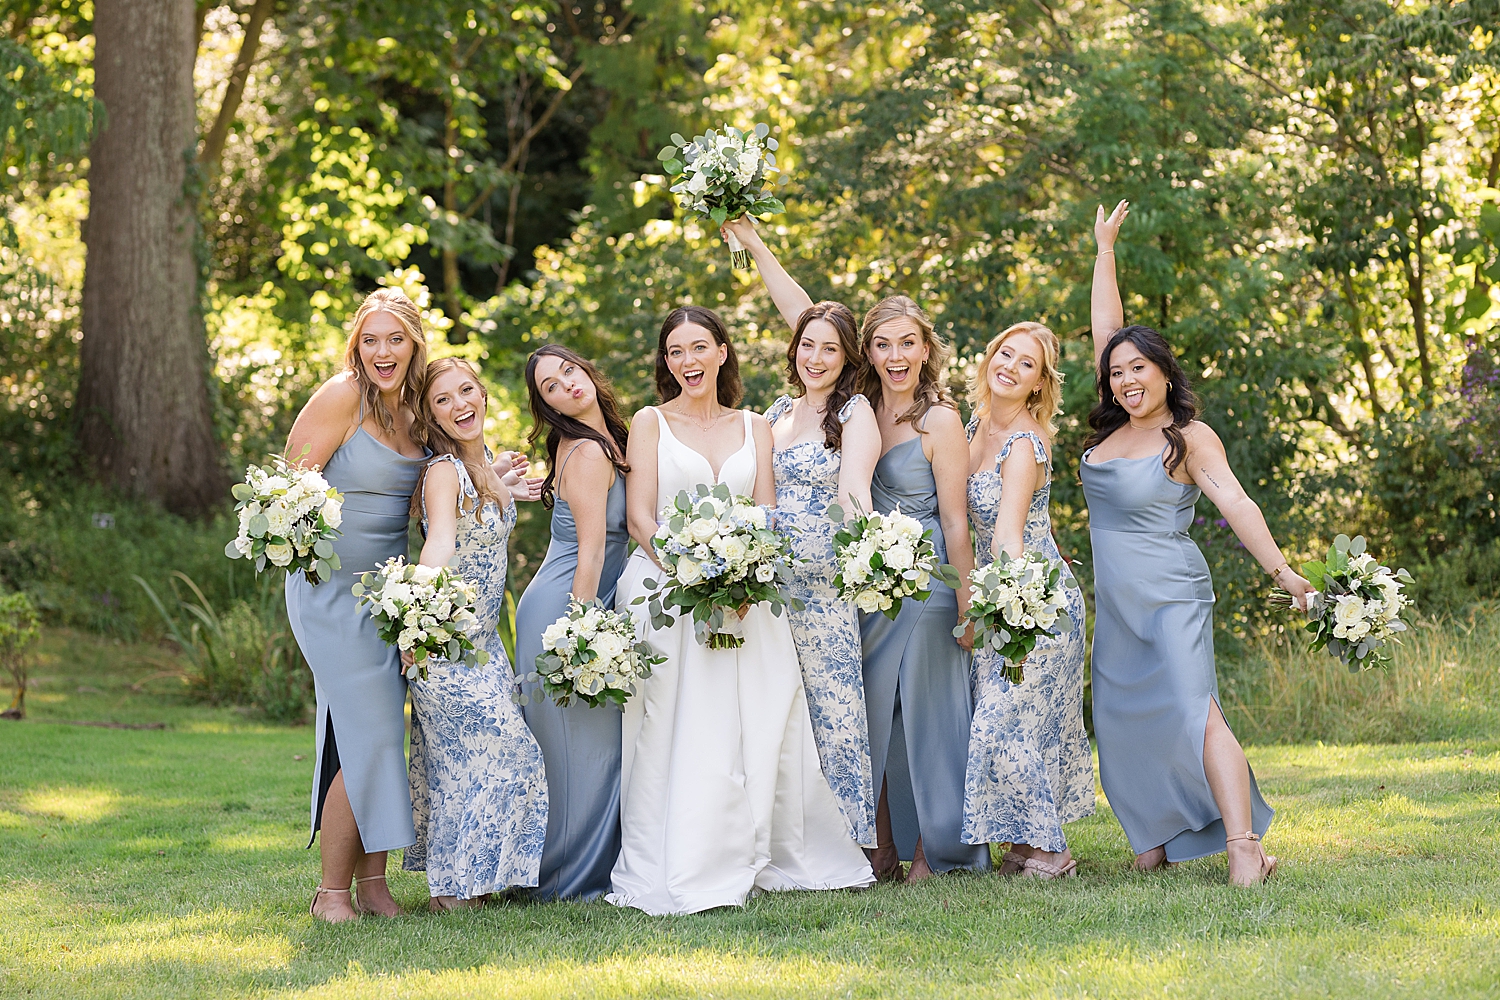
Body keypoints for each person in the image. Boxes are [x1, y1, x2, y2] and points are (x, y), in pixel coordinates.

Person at [608, 305, 874, 915]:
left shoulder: (758, 426)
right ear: (665, 362)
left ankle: (761, 847)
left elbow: (765, 514)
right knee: (680, 723)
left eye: (699, 348)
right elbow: (641, 516)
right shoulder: (650, 422)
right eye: (675, 352)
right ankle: (686, 855)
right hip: (668, 594)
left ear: (723, 352)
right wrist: (692, 570)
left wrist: (743, 576)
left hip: (750, 595)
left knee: (760, 714)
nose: (688, 362)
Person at [1086, 200, 1312, 885]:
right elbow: (1106, 331)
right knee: (1122, 715)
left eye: (1138, 370)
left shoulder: (1188, 436)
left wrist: (1284, 573)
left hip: (1172, 592)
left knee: (1193, 708)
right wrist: (1104, 251)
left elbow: (1237, 502)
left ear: (1164, 371)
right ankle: (1152, 835)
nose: (1126, 380)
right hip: (1118, 597)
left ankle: (1243, 845)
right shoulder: (1107, 437)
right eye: (1117, 372)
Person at [723, 217, 880, 848]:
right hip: (766, 586)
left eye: (830, 349)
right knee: (774, 715)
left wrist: (771, 533)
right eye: (807, 345)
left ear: (847, 360)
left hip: (818, 584)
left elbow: (854, 503)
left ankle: (846, 846)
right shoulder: (776, 413)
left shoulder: (855, 412)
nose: (815, 358)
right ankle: (773, 842)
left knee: (833, 713)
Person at [283, 288, 429, 922]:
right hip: (329, 589)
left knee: (375, 732)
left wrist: (499, 483)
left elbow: (429, 503)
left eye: (395, 339)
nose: (382, 351)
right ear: (356, 346)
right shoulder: (344, 395)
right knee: (364, 728)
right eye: (371, 339)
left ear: (415, 344)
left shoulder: (422, 411)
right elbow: (290, 485)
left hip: (388, 593)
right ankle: (332, 894)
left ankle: (373, 886)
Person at [400, 358, 548, 909]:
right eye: (444, 399)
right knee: (502, 749)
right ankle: (453, 886)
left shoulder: (482, 464)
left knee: (472, 760)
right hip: (445, 642)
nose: (461, 405)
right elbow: (439, 542)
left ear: (484, 395)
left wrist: (509, 488)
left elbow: (480, 514)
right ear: (430, 414)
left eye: (467, 391)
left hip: (486, 645)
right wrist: (416, 616)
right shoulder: (444, 471)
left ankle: (473, 881)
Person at [858, 297, 991, 882]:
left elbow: (957, 520)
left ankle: (937, 851)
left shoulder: (938, 419)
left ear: (926, 349)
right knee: (877, 717)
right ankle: (884, 844)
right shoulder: (857, 411)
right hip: (871, 589)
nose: (895, 356)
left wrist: (967, 601)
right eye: (883, 344)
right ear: (867, 351)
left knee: (931, 717)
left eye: (907, 342)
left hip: (931, 584)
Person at [961, 323, 1093, 879]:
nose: (1010, 368)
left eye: (1027, 364)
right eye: (1005, 354)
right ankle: (1023, 842)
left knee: (1003, 719)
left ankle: (1053, 850)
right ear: (990, 359)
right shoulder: (974, 427)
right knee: (1011, 719)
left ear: (1040, 384)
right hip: (999, 598)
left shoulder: (1024, 442)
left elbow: (1007, 537)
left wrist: (1006, 606)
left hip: (1033, 604)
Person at [514, 345, 633, 900]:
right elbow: (589, 554)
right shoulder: (586, 451)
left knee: (592, 753)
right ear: (547, 405)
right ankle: (561, 880)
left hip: (578, 605)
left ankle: (578, 870)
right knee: (581, 756)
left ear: (586, 368)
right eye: (551, 387)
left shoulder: (605, 437)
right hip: (566, 611)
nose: (567, 385)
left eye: (569, 371)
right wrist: (581, 640)